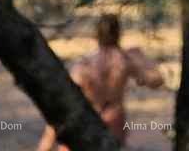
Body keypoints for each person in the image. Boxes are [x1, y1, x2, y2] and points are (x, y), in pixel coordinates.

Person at [36, 13, 165, 149]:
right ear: (118, 33)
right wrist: (141, 69)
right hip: (114, 117)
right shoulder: (125, 59)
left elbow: (67, 93)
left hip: (88, 117)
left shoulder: (86, 62)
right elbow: (156, 80)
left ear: (96, 34)